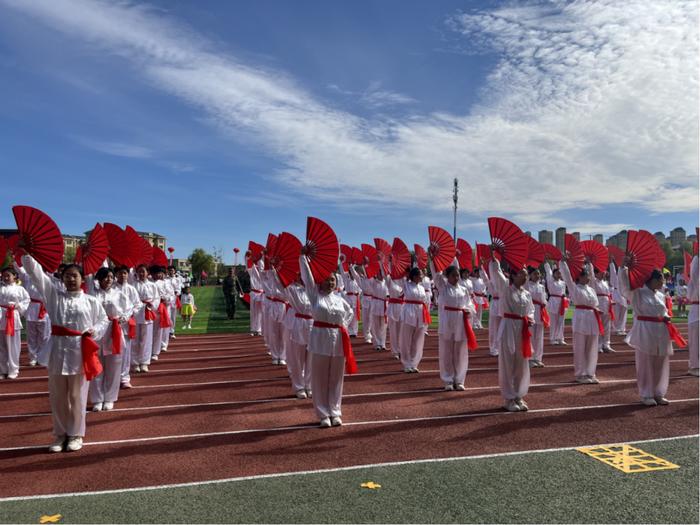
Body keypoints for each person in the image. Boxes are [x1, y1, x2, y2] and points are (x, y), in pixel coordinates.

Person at [22, 253, 108, 452]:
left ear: (81, 279)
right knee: (58, 396)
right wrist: (27, 254)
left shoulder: (91, 301)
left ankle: (76, 434)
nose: (70, 279)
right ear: (62, 278)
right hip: (57, 351)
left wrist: (94, 330)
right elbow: (36, 275)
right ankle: (60, 435)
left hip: (80, 352)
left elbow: (103, 320)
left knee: (77, 396)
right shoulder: (53, 296)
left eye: (74, 276)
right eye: (67, 275)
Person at [619, 264, 687, 405]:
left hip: (661, 331)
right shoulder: (637, 293)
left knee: (660, 363)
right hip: (645, 330)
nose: (663, 282)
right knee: (645, 363)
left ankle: (658, 393)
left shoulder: (661, 295)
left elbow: (663, 311)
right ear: (651, 280)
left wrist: (666, 316)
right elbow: (624, 287)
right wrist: (624, 268)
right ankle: (646, 394)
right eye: (660, 279)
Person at [299, 253, 354, 427]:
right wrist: (303, 258)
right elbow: (307, 278)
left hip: (338, 340)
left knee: (337, 378)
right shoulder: (315, 296)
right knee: (320, 377)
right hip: (320, 339)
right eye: (327, 280)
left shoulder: (340, 300)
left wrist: (343, 325)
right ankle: (323, 414)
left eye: (333, 280)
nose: (330, 283)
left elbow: (350, 313)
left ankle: (335, 411)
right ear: (320, 281)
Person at [489, 256, 535, 412]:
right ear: (513, 276)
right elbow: (496, 273)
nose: (525, 276)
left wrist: (530, 319)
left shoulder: (527, 294)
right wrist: (495, 258)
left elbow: (531, 310)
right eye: (522, 274)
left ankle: (518, 395)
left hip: (522, 329)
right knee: (508, 363)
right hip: (508, 327)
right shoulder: (505, 289)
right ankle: (508, 398)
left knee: (521, 364)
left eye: (526, 274)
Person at [430, 257, 478, 391]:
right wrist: (433, 258)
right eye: (453, 275)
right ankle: (448, 379)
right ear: (447, 276)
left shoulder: (463, 290)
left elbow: (469, 304)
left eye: (457, 275)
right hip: (447, 321)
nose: (456, 277)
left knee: (461, 351)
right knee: (446, 351)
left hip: (461, 322)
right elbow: (436, 274)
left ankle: (459, 379)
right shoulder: (443, 287)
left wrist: (469, 310)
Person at [88, 267, 129, 412]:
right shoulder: (93, 294)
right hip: (98, 332)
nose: (109, 279)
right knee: (97, 365)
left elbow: (128, 309)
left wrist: (124, 317)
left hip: (114, 330)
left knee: (114, 365)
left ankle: (110, 397)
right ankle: (97, 399)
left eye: (111, 277)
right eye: (105, 277)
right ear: (99, 279)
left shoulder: (119, 294)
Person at [560, 261, 603, 384]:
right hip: (581, 318)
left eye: (589, 275)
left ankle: (590, 372)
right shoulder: (574, 288)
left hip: (592, 318)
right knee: (580, 347)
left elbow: (594, 303)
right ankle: (580, 374)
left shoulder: (592, 289)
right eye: (586, 276)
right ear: (580, 277)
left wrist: (590, 265)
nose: (589, 278)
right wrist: (563, 263)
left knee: (592, 347)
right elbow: (567, 277)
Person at [13, 262, 50, 367]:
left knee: (45, 336)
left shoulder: (48, 278)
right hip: (32, 309)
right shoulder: (28, 278)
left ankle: (43, 357)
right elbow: (19, 269)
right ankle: (33, 357)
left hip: (45, 310)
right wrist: (16, 258)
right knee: (32, 336)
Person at [282, 274, 313, 398]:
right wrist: (275, 270)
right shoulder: (293, 289)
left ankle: (309, 385)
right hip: (299, 325)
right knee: (298, 358)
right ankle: (299, 386)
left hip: (313, 325)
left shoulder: (314, 289)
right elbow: (282, 284)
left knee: (311, 358)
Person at [0, 266, 30, 379]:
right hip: (1, 316)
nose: (6, 277)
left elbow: (27, 300)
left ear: (15, 276)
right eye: (4, 275)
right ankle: (2, 370)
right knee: (1, 346)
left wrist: (19, 306)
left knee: (13, 345)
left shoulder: (20, 289)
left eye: (8, 275)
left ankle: (13, 369)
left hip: (13, 316)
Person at [398, 267, 431, 373]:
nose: (421, 276)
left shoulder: (421, 287)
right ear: (414, 276)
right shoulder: (406, 284)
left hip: (420, 313)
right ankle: (406, 363)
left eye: (421, 275)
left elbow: (425, 301)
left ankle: (414, 363)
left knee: (418, 339)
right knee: (406, 339)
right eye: (420, 274)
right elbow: (397, 275)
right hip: (409, 312)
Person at [114, 266, 141, 389]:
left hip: (127, 324)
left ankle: (124, 378)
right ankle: (114, 377)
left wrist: (129, 314)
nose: (122, 275)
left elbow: (137, 305)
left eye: (124, 273)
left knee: (126, 352)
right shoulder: (111, 289)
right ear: (116, 274)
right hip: (113, 324)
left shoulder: (131, 289)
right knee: (114, 352)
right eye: (120, 273)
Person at [131, 264, 160, 373]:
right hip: (136, 313)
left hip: (148, 312)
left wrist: (151, 305)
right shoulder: (133, 285)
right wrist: (135, 309)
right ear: (137, 273)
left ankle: (144, 362)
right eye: (140, 272)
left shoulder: (152, 285)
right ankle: (135, 363)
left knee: (146, 339)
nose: (142, 274)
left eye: (143, 271)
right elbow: (131, 299)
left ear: (148, 273)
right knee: (135, 339)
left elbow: (157, 298)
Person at [526, 267, 549, 368]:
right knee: (530, 335)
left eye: (538, 274)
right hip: (530, 311)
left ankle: (538, 358)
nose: (537, 276)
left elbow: (544, 299)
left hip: (540, 311)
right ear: (530, 275)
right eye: (535, 274)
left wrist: (544, 304)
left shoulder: (541, 287)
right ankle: (530, 358)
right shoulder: (527, 285)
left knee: (539, 336)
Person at [151, 266, 174, 360]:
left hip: (164, 306)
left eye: (159, 273)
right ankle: (152, 348)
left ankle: (163, 344)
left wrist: (165, 299)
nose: (158, 275)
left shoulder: (166, 283)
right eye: (156, 273)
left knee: (163, 327)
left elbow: (171, 295)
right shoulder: (150, 283)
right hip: (152, 308)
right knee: (152, 330)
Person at [544, 261, 568, 345]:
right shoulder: (550, 281)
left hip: (562, 302)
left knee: (561, 321)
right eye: (557, 273)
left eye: (560, 273)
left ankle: (560, 338)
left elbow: (564, 292)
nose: (559, 275)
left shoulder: (563, 283)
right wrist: (547, 263)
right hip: (553, 301)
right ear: (553, 274)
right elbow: (548, 272)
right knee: (554, 321)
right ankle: (552, 338)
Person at [592, 268, 615, 353]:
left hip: (607, 306)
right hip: (599, 305)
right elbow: (591, 273)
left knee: (607, 326)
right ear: (596, 273)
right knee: (598, 326)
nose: (603, 274)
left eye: (603, 272)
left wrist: (611, 302)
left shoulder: (605, 283)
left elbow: (608, 294)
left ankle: (606, 344)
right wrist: (590, 264)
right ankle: (598, 345)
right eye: (601, 272)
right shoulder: (593, 282)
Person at [686, 255, 698, 377]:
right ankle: (694, 366)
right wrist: (698, 257)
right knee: (695, 341)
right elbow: (694, 273)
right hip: (696, 312)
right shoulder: (694, 283)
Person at [166, 266, 182, 337]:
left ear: (174, 271)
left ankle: (172, 331)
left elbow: (179, 289)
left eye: (172, 270)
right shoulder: (165, 279)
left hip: (174, 299)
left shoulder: (177, 280)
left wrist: (176, 292)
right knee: (167, 316)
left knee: (173, 316)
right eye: (169, 270)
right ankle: (167, 331)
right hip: (167, 300)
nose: (171, 272)